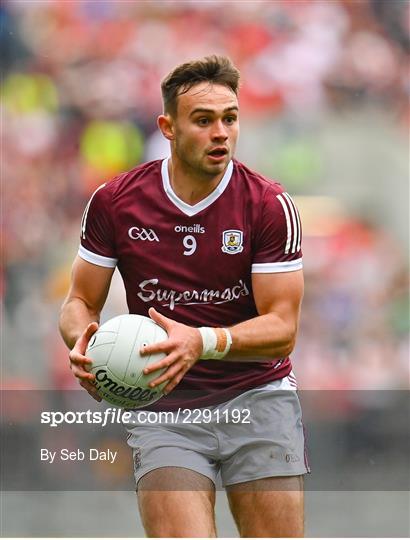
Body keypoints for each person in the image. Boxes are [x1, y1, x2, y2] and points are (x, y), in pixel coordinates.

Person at [59, 55, 308, 537]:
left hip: (258, 398)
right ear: (167, 127)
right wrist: (82, 343)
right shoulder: (115, 201)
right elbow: (78, 303)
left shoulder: (268, 206)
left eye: (230, 118)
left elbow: (283, 329)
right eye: (204, 120)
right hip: (164, 409)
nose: (221, 132)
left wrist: (201, 342)